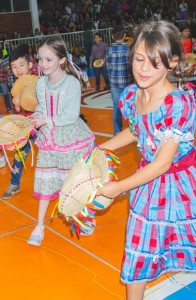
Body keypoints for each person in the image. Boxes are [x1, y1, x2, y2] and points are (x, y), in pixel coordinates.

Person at [96, 20, 196, 299]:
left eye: (154, 63)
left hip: (182, 186)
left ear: (172, 63)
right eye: (138, 59)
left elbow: (163, 163)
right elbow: (136, 131)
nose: (142, 69)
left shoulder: (178, 104)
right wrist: (101, 149)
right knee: (138, 248)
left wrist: (118, 187)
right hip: (148, 185)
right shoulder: (133, 96)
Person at [27, 36, 95, 246]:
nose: (43, 64)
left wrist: (45, 120)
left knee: (73, 182)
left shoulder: (72, 83)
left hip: (70, 137)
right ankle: (39, 226)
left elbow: (71, 115)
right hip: (49, 139)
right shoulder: (40, 83)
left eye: (49, 59)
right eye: (40, 60)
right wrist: (35, 118)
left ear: (62, 60)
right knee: (45, 180)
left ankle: (84, 217)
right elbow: (42, 108)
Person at [1, 44, 37, 200]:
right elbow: (17, 113)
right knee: (19, 154)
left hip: (43, 124)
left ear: (30, 65)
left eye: (22, 65)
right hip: (26, 126)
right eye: (14, 67)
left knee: (54, 152)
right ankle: (14, 184)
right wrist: (16, 104)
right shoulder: (15, 87)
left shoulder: (39, 81)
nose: (18, 70)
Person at [106, 25, 133, 134]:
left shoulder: (109, 50)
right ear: (125, 36)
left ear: (112, 36)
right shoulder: (129, 49)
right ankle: (134, 130)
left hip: (114, 84)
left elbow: (108, 68)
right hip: (128, 83)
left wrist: (111, 79)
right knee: (131, 107)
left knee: (117, 107)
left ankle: (117, 130)